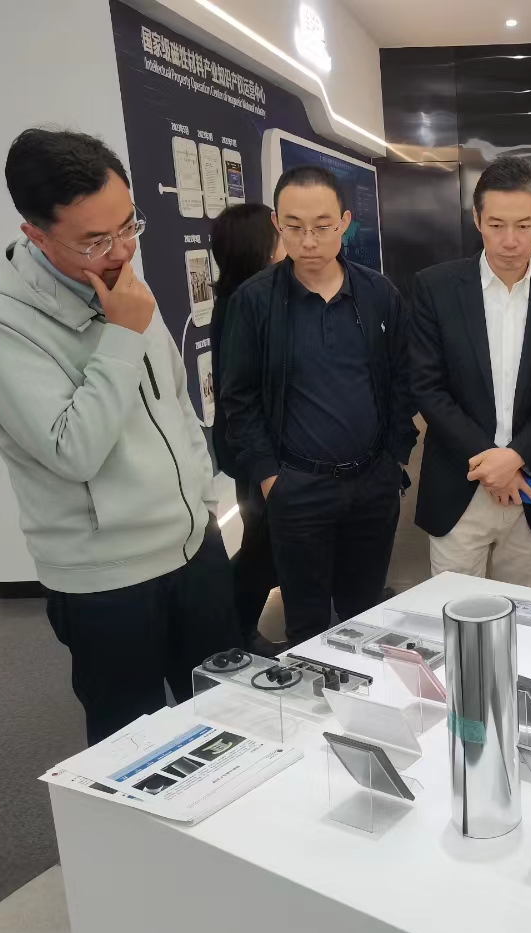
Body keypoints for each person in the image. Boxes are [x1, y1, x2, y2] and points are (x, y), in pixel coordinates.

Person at [0, 129, 239, 745]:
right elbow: (73, 451)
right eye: (95, 240)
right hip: (107, 580)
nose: (121, 250)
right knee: (134, 753)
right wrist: (121, 337)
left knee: (231, 721)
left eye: (128, 225)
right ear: (36, 234)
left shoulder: (124, 283)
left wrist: (204, 502)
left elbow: (176, 405)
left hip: (195, 548)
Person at [218, 166, 417, 647]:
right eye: (294, 226)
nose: (308, 241)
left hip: (372, 484)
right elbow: (239, 398)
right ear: (276, 223)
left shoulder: (378, 294)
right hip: (297, 487)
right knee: (305, 624)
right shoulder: (254, 301)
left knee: (363, 614)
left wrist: (394, 458)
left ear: (344, 222)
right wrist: (271, 478)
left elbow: (403, 379)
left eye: (322, 226)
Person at [410, 157, 531, 589]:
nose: (510, 240)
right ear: (477, 220)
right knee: (455, 609)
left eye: (524, 225)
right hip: (460, 481)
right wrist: (491, 462)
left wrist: (516, 457)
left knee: (524, 611)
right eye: (496, 225)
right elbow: (428, 387)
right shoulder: (435, 288)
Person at [208, 203, 286, 641]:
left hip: (248, 445)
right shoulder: (246, 304)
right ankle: (236, 632)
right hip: (255, 447)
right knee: (263, 541)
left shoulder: (239, 298)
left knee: (267, 535)